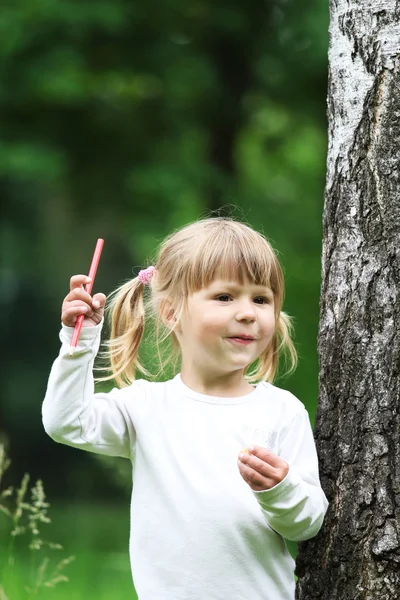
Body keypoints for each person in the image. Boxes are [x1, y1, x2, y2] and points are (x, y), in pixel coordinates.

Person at [42, 217, 328, 600]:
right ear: (172, 312)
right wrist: (78, 340)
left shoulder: (281, 411)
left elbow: (308, 523)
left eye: (261, 299)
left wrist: (280, 489)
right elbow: (66, 422)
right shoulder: (145, 406)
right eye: (225, 297)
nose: (247, 312)